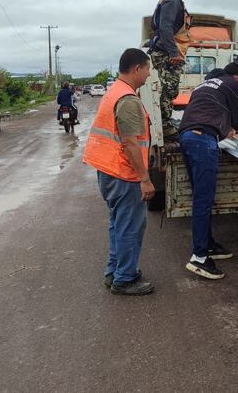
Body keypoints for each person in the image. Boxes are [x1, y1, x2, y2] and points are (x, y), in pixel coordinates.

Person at [83, 48, 156, 296]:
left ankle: (114, 272)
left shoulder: (114, 92)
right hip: (123, 174)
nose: (148, 75)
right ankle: (125, 279)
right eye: (147, 69)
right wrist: (144, 178)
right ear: (137, 69)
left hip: (109, 170)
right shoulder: (127, 99)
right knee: (130, 226)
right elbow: (130, 142)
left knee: (118, 224)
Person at [178, 61, 238, 280]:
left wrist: (226, 128)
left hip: (187, 137)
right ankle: (200, 258)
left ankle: (208, 244)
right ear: (236, 78)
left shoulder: (203, 86)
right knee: (203, 200)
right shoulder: (229, 83)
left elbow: (211, 111)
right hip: (203, 141)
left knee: (201, 197)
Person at [146, 0, 201, 142]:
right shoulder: (173, 1)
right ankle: (165, 126)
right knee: (168, 88)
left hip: (163, 50)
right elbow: (165, 28)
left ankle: (164, 123)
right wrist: (173, 52)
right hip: (165, 53)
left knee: (168, 88)